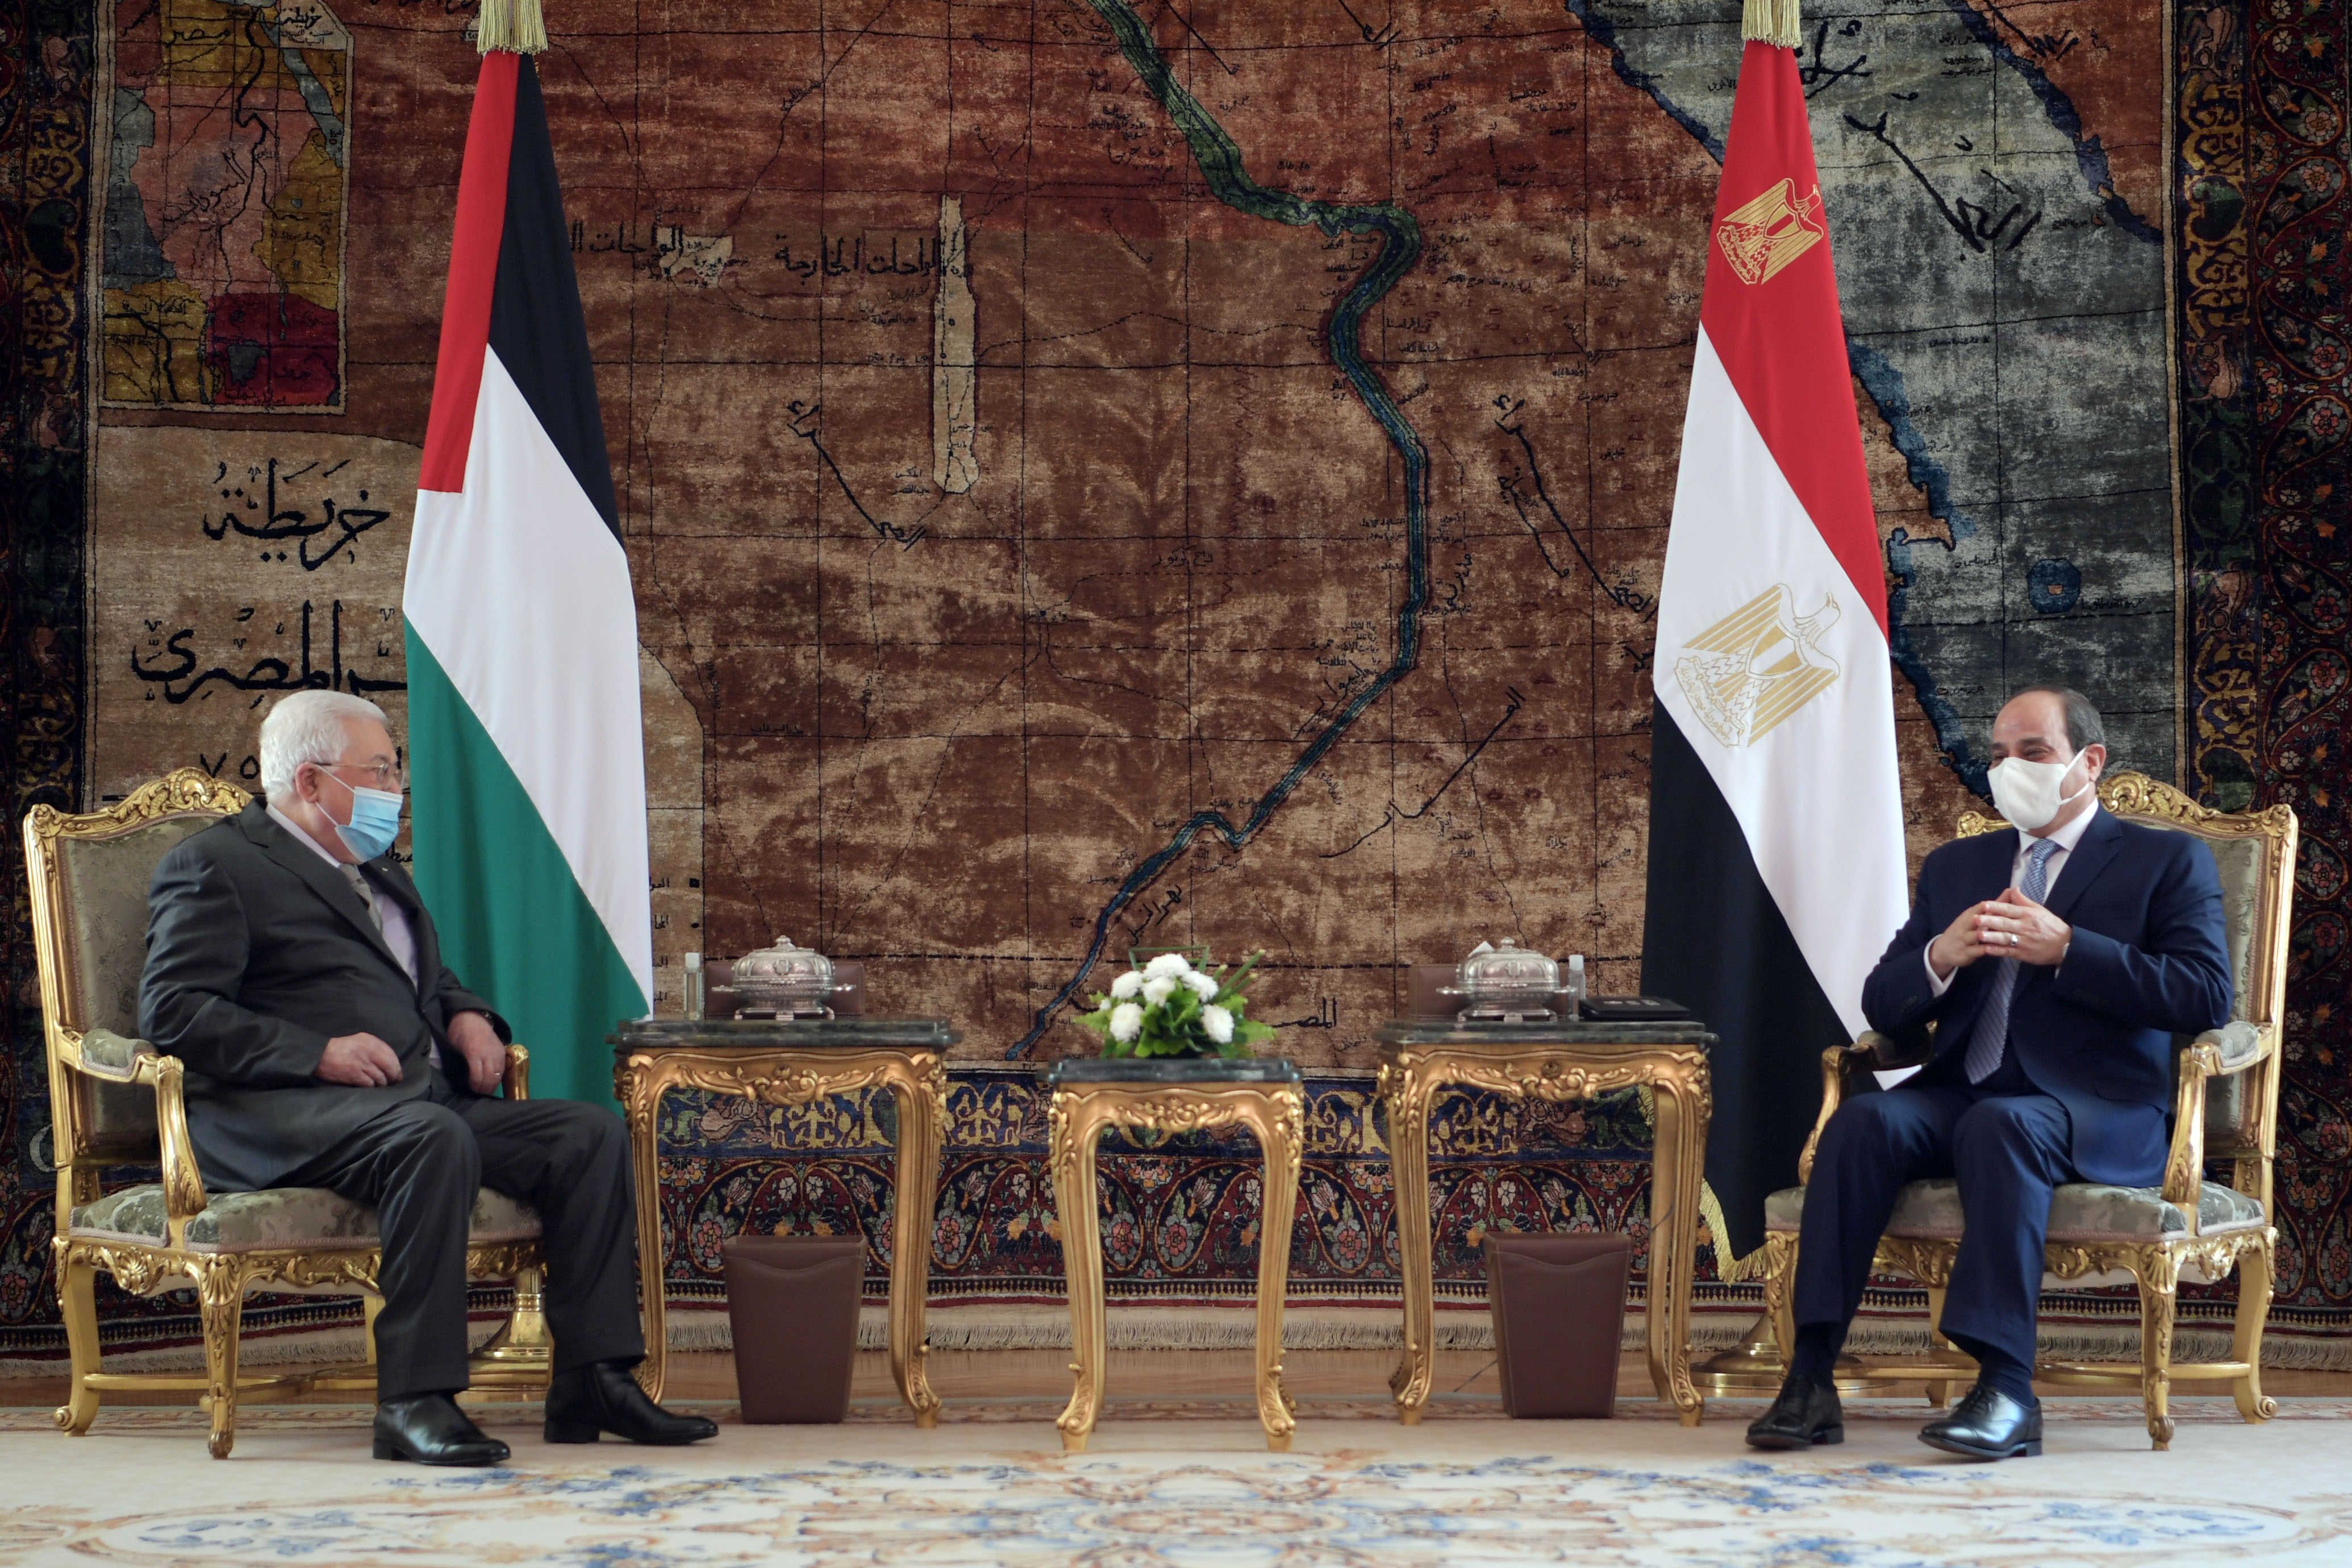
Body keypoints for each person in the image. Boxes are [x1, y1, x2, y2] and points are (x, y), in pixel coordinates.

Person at [141, 690, 716, 1466]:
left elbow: (425, 976)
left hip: (410, 1103)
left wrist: (468, 1016)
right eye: (378, 772)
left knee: (587, 1133)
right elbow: (174, 1012)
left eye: (394, 771)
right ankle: (414, 1400)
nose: (393, 789)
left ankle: (594, 1378)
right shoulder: (216, 865)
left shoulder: (375, 867)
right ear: (311, 782)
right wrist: (315, 1050)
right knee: (431, 1137)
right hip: (286, 1115)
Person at [1746, 685, 2232, 1461]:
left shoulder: (2165, 859)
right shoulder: (1958, 864)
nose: (2011, 769)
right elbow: (1882, 998)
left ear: (2088, 763)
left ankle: (2006, 1387)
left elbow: (2206, 994)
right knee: (1865, 1120)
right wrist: (1940, 956)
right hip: (1961, 1092)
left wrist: (2069, 946)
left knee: (2004, 1124)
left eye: (2033, 753)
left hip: (2092, 1109)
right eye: (2000, 755)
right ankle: (1808, 1376)